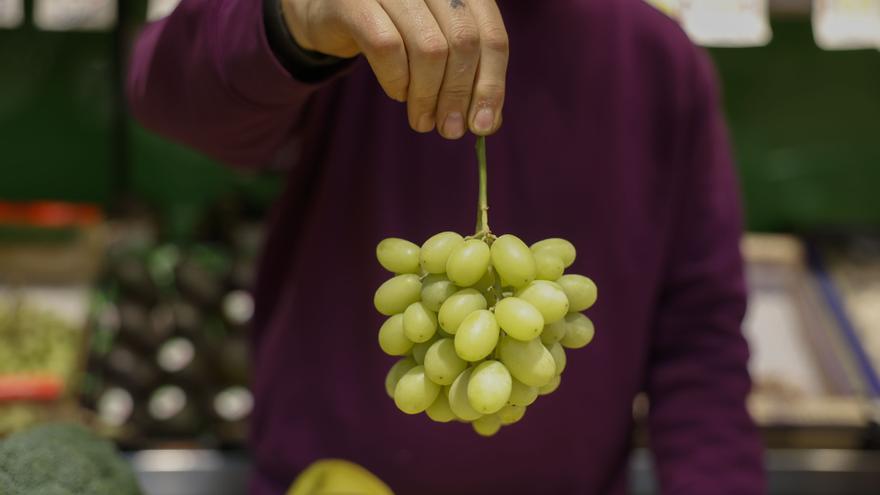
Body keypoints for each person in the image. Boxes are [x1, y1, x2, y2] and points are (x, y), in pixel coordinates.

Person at [127, 0, 765, 493]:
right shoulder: (363, 26)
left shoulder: (659, 60)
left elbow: (700, 337)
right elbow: (165, 95)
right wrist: (293, 20)